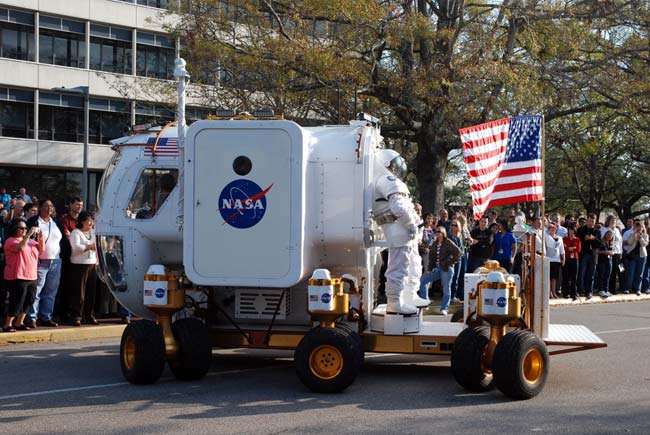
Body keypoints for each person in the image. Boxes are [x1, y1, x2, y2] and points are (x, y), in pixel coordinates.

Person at [371, 149, 429, 315]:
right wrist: (410, 223)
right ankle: (395, 301)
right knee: (399, 266)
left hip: (402, 229)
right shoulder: (387, 179)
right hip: (398, 228)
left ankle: (410, 295)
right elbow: (398, 207)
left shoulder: (386, 180)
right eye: (395, 166)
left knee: (413, 263)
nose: (397, 169)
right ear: (388, 166)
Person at [24, 199, 65, 327]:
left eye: (51, 206)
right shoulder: (34, 222)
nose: (49, 209)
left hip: (56, 261)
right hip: (40, 261)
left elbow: (61, 240)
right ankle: (31, 317)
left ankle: (46, 316)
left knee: (51, 291)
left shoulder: (56, 222)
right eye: (46, 206)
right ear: (40, 207)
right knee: (36, 290)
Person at [2, 221, 43, 332]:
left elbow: (41, 249)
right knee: (17, 300)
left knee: (30, 300)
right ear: (14, 228)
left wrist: (41, 236)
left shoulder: (31, 242)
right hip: (18, 275)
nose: (23, 230)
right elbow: (19, 248)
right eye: (20, 228)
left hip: (31, 275)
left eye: (25, 228)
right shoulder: (10, 241)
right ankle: (7, 324)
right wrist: (28, 235)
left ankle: (19, 322)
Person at [419, 226, 462, 315]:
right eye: (436, 231)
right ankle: (425, 303)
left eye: (439, 231)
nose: (437, 233)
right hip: (437, 268)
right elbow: (431, 258)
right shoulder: (434, 244)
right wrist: (429, 270)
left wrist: (450, 262)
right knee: (423, 280)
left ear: (443, 233)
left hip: (447, 268)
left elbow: (458, 252)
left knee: (446, 288)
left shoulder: (448, 242)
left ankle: (444, 308)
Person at [68, 211, 98, 326]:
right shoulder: (76, 233)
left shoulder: (94, 232)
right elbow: (76, 248)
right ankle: (76, 315)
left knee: (91, 292)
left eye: (92, 220)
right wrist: (90, 246)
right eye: (88, 220)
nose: (90, 223)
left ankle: (89, 315)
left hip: (92, 264)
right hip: (79, 265)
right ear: (82, 221)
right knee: (79, 292)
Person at [576, 213, 600, 299]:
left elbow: (599, 244)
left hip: (593, 255)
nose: (591, 223)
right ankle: (579, 290)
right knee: (581, 273)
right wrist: (584, 238)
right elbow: (577, 239)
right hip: (583, 254)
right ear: (587, 220)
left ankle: (589, 291)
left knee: (591, 275)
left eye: (592, 221)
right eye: (589, 221)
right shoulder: (581, 229)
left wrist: (593, 238)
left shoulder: (597, 231)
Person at [622, 221, 649, 295]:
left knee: (639, 274)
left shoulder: (645, 235)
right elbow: (629, 243)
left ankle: (638, 289)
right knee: (630, 273)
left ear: (642, 228)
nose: (639, 228)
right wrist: (634, 235)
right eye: (637, 227)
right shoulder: (632, 234)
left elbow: (644, 244)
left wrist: (640, 237)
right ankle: (628, 288)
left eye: (640, 227)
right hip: (632, 256)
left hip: (642, 256)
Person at [601, 215, 623, 294]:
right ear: (608, 221)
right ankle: (608, 289)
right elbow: (603, 240)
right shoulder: (604, 229)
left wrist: (621, 253)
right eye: (612, 220)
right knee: (609, 272)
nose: (613, 222)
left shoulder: (617, 230)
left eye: (614, 221)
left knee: (617, 271)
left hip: (617, 252)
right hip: (608, 253)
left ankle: (613, 289)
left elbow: (620, 242)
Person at [545, 223, 565, 299]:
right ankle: (549, 292)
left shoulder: (560, 238)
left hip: (557, 259)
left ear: (556, 228)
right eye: (550, 227)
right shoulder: (546, 236)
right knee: (549, 277)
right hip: (549, 259)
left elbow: (562, 249)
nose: (552, 229)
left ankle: (554, 292)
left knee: (554, 278)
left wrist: (563, 258)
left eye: (554, 227)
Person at [562, 226, 581, 300]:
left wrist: (568, 248)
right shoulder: (564, 239)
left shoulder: (578, 239)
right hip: (567, 258)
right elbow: (563, 248)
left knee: (574, 277)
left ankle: (574, 293)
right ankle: (566, 293)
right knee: (566, 276)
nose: (571, 232)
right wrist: (571, 248)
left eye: (572, 230)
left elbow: (578, 249)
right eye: (570, 230)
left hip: (574, 259)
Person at [595, 230, 614, 298]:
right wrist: (605, 252)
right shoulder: (601, 242)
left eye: (611, 235)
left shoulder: (611, 243)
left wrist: (612, 253)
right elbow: (597, 251)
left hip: (609, 261)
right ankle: (601, 289)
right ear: (605, 235)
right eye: (608, 234)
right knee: (601, 276)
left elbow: (612, 251)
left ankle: (606, 290)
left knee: (607, 276)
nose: (609, 236)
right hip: (602, 261)